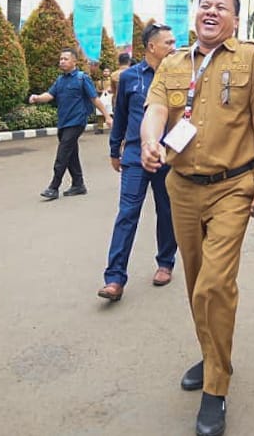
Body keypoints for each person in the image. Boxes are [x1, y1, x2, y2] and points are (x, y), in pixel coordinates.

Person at [140, 0, 254, 436]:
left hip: (233, 188)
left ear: (235, 20)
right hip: (182, 187)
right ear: (195, 14)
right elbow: (156, 109)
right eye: (205, 5)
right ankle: (211, 354)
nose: (211, 11)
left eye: (222, 8)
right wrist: (149, 140)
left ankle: (216, 388)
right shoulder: (173, 63)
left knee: (215, 285)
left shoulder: (253, 58)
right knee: (195, 282)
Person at [98, 22, 179, 302]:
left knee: (166, 211)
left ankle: (165, 263)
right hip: (135, 155)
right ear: (151, 46)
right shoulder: (130, 77)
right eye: (168, 43)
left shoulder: (179, 77)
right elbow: (120, 115)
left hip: (168, 156)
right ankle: (114, 278)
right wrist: (114, 150)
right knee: (127, 213)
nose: (173, 47)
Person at [28, 48, 112, 199]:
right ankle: (78, 185)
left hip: (77, 121)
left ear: (74, 61)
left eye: (65, 59)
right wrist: (37, 98)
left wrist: (107, 116)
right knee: (71, 153)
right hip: (63, 122)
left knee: (63, 153)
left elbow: (94, 99)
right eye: (61, 59)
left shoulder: (82, 78)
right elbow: (50, 95)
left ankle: (54, 187)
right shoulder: (60, 80)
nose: (62, 61)